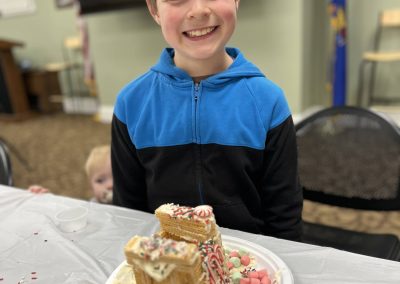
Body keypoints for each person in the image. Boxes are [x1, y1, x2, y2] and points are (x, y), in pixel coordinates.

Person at [111, 0, 303, 241]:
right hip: (164, 260)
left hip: (248, 262)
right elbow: (127, 212)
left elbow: (284, 216)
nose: (199, 10)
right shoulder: (132, 103)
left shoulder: (268, 101)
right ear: (154, 9)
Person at [28, 145, 113, 204]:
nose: (110, 185)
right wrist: (46, 199)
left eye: (116, 178)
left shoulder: (126, 202)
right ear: (91, 186)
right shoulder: (91, 206)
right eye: (100, 180)